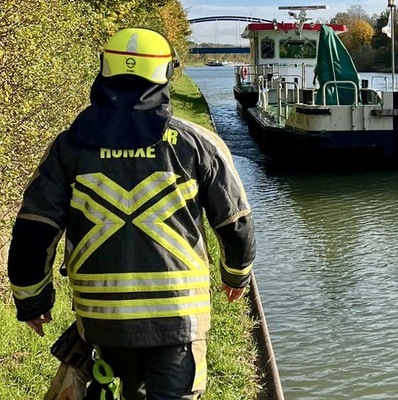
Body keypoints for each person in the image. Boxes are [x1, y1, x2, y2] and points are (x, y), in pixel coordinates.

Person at [6, 27, 256, 399]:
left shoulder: (71, 145)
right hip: (178, 321)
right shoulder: (197, 143)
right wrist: (236, 275)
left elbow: (34, 228)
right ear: (166, 73)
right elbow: (235, 222)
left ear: (104, 69)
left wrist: (32, 299)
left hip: (102, 319)